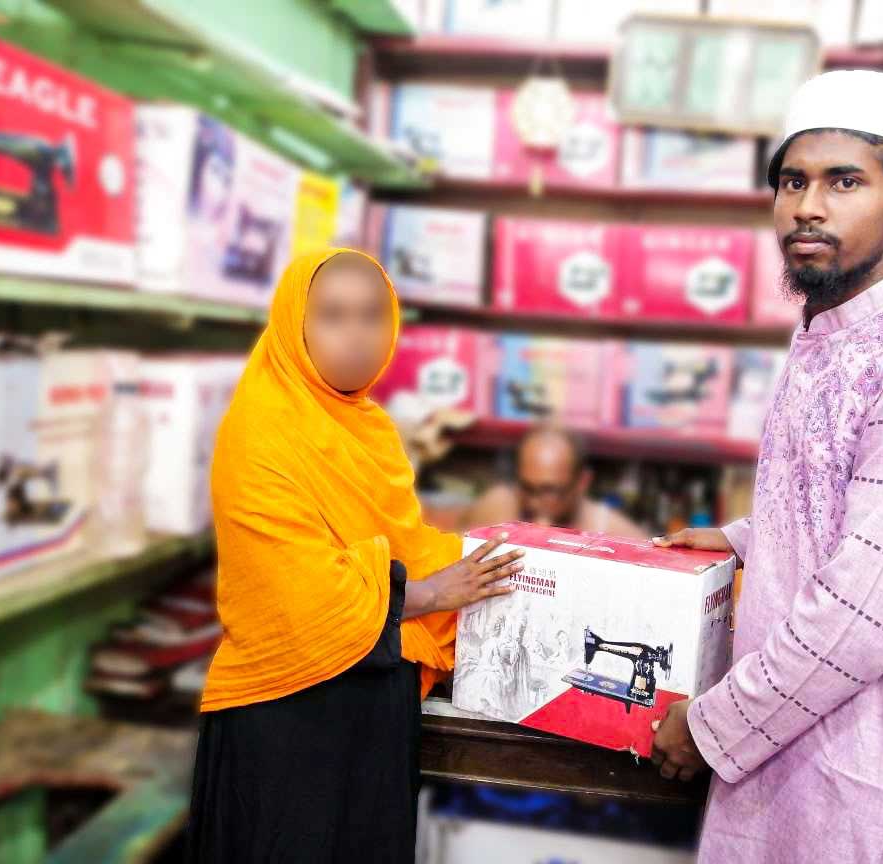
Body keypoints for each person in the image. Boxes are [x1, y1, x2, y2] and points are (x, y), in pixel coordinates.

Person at [649, 70, 883, 864]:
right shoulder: (830, 335)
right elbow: (849, 501)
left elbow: (862, 615)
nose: (808, 206)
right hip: (783, 765)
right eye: (792, 182)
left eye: (845, 182)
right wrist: (748, 537)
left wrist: (710, 727)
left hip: (850, 784)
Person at [186, 249, 525, 864]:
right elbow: (299, 593)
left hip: (371, 708)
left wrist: (503, 561)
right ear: (297, 322)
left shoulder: (369, 428)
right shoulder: (260, 430)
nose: (357, 336)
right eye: (333, 316)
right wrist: (435, 594)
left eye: (373, 316)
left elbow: (406, 546)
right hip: (289, 716)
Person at [464, 425, 647, 538]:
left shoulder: (615, 534)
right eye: (528, 488)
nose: (535, 502)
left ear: (582, 482)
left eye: (550, 491)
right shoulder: (495, 509)